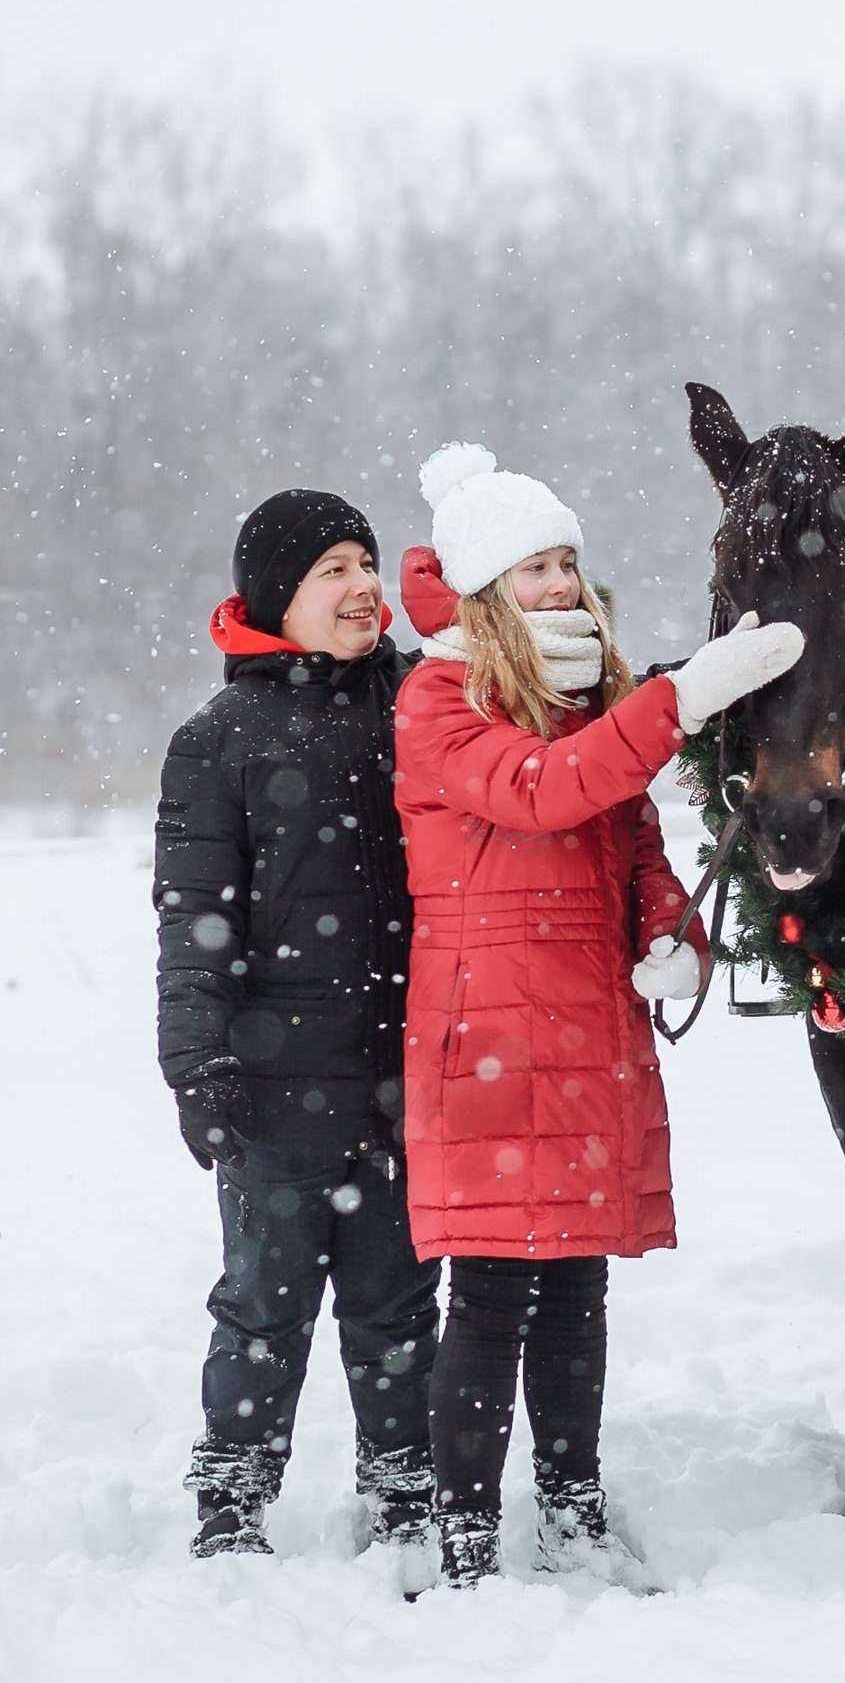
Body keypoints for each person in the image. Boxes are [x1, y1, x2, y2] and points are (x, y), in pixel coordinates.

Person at [395, 444, 803, 1588]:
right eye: (535, 568)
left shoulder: (592, 699)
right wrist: (686, 698)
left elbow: (627, 843)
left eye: (570, 561)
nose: (563, 584)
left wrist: (674, 933)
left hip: (588, 1033)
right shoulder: (439, 699)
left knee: (576, 1289)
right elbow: (548, 790)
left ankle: (573, 1502)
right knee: (488, 1297)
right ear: (484, 588)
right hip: (489, 1040)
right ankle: (467, 1531)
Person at [155, 490, 441, 1559]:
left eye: (366, 563)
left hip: (404, 1075)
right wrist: (198, 1064)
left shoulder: (419, 704)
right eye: (334, 569)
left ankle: (403, 1490)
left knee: (399, 1303)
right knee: (263, 1309)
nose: (363, 586)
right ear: (282, 595)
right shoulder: (219, 739)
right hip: (274, 1088)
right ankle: (232, 1501)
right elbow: (194, 923)